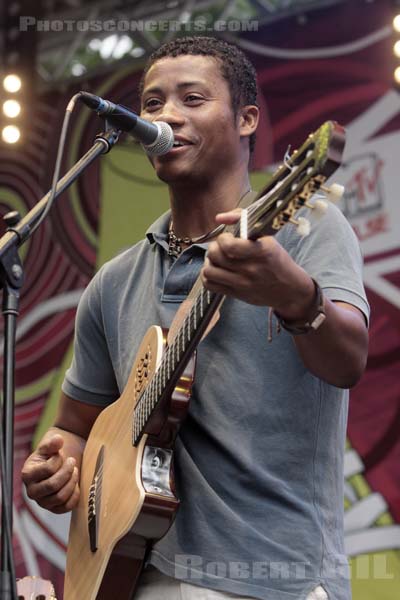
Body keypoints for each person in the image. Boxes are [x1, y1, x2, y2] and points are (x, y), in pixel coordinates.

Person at [21, 36, 369, 600]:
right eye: (153, 103)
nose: (166, 116)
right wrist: (59, 462)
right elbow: (74, 427)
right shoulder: (113, 282)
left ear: (247, 119)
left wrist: (297, 298)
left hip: (274, 576)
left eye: (192, 98)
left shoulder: (307, 231)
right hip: (136, 574)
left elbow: (349, 360)